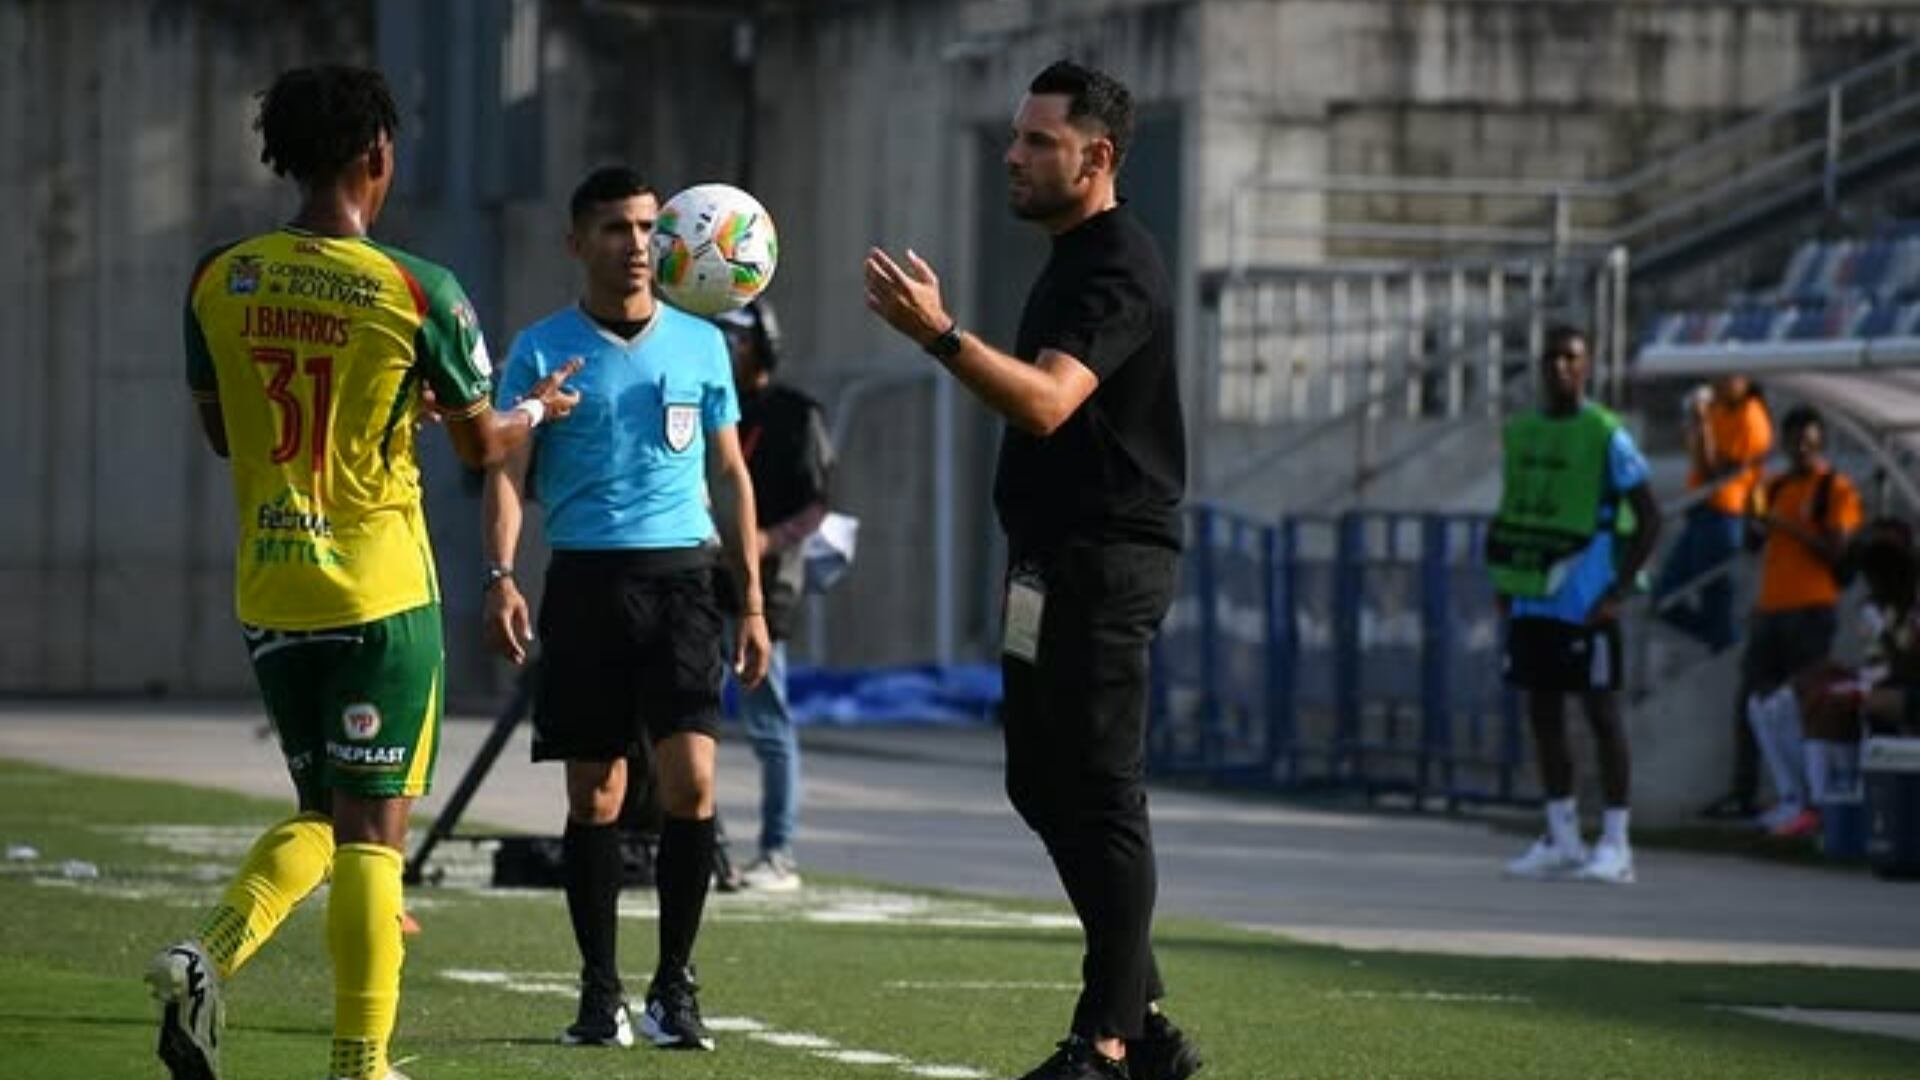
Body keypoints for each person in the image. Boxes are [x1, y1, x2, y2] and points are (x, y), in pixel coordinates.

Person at [156, 64, 580, 1080]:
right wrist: (535, 410)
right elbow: (484, 450)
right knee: (373, 835)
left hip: (272, 586)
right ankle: (361, 1065)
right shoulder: (416, 288)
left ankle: (200, 955)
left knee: (320, 816)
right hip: (381, 593)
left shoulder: (219, 277)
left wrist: (386, 407)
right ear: (376, 157)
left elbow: (226, 432)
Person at [864, 59, 1202, 1080]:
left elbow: (1049, 401)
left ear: (1097, 158)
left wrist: (941, 335)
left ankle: (1106, 1042)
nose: (1012, 155)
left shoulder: (1119, 264)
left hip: (1108, 563)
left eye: (1037, 141)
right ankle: (1143, 1022)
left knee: (1102, 790)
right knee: (1035, 779)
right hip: (1044, 572)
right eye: (1014, 137)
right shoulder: (1066, 255)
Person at [481, 165, 770, 1053]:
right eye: (614, 228)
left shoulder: (701, 343)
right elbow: (506, 475)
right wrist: (501, 575)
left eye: (647, 227)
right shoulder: (539, 347)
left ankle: (673, 988)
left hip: (685, 581)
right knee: (596, 792)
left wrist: (752, 601)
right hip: (587, 583)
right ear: (577, 243)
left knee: (691, 784)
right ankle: (598, 990)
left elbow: (729, 472)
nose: (636, 245)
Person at [1488, 325, 1661, 886]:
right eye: (1553, 357)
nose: (1562, 366)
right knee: (1542, 710)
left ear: (1588, 367)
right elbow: (1513, 509)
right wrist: (1504, 580)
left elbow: (1650, 517)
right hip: (1534, 598)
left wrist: (1617, 589)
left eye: (1573, 358)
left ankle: (1616, 843)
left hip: (1586, 601)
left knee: (1600, 712)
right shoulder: (1523, 433)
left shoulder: (1606, 433)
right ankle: (1561, 835)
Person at [714, 299, 835, 891]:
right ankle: (700, 845)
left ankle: (777, 851)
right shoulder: (707, 401)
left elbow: (816, 503)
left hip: (764, 588)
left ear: (760, 344)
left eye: (733, 338)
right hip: (696, 578)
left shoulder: (794, 414)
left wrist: (762, 538)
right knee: (685, 719)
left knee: (767, 721)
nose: (723, 348)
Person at [1733, 405, 1863, 834]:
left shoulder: (1835, 487)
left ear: (1821, 441)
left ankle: (1813, 799)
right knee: (1756, 704)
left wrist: (1785, 524)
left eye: (1811, 440)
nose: (1803, 448)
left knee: (1803, 705)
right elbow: (1754, 544)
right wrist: (1755, 522)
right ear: (1786, 443)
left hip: (1811, 610)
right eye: (1796, 440)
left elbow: (1836, 551)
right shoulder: (1775, 485)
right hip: (1771, 610)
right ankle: (1773, 796)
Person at [1655, 374, 1771, 656]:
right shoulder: (1719, 408)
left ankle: (1729, 645)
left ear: (1744, 381)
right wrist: (1696, 424)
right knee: (1664, 596)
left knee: (1715, 602)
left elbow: (1714, 473)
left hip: (1724, 515)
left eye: (1727, 377)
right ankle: (1726, 643)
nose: (1718, 384)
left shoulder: (1752, 419)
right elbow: (1699, 458)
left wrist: (1703, 423)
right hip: (1700, 513)